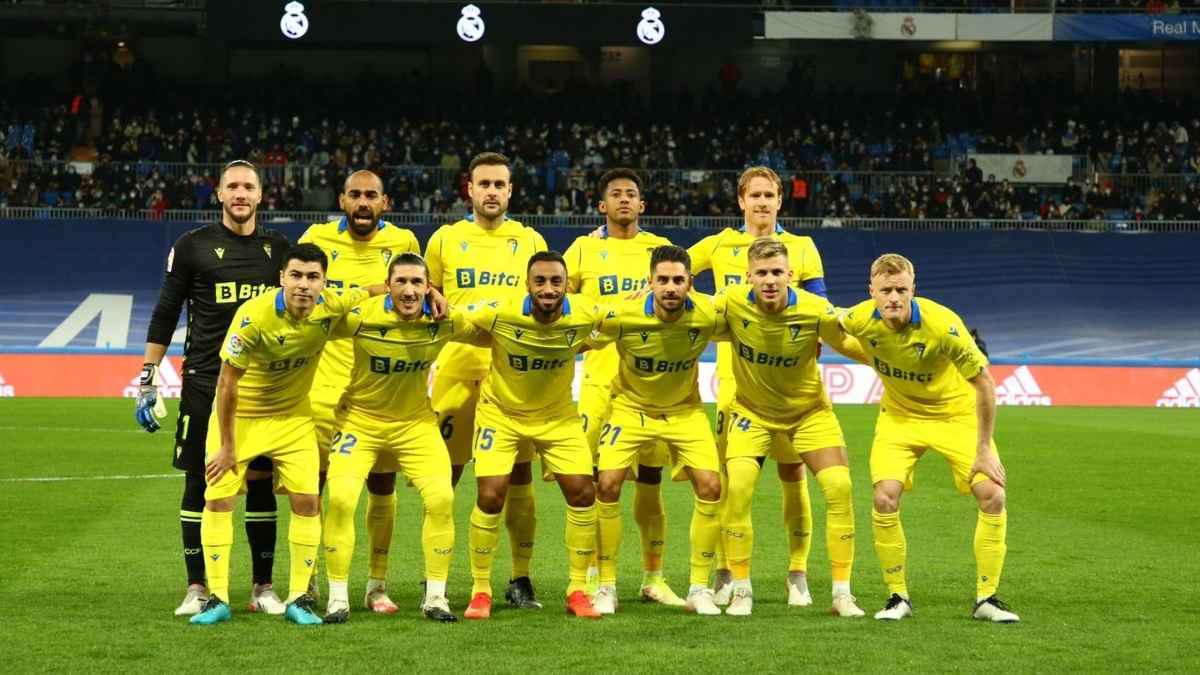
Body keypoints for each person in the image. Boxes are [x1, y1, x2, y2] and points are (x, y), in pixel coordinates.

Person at [189, 243, 384, 626]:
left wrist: (429, 293)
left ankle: (298, 599)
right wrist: (227, 447)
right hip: (241, 417)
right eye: (295, 275)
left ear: (324, 283)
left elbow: (376, 289)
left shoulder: (332, 305)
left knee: (308, 502)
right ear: (281, 278)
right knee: (219, 501)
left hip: (293, 419)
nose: (303, 285)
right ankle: (218, 599)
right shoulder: (253, 316)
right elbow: (227, 385)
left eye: (313, 277)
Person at [136, 160, 290, 617]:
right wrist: (147, 378)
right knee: (200, 481)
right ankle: (197, 586)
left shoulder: (279, 249)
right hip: (204, 382)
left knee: (261, 483)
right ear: (219, 194)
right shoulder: (192, 246)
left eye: (249, 186)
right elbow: (166, 311)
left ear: (261, 196)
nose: (240, 193)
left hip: (262, 388)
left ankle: (262, 586)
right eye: (232, 186)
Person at [839, 253, 1018, 623]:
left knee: (993, 493)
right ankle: (897, 596)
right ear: (871, 290)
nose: (893, 298)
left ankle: (988, 598)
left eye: (901, 290)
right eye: (885, 290)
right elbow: (828, 325)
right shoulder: (858, 318)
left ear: (912, 290)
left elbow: (984, 382)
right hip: (899, 419)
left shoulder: (943, 325)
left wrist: (984, 448)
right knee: (884, 497)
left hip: (955, 416)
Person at [688, 166, 826, 607]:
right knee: (732, 480)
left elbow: (821, 309)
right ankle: (728, 570)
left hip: (791, 385)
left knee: (793, 473)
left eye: (770, 195)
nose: (763, 202)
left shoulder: (802, 249)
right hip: (735, 383)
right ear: (741, 201)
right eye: (755, 195)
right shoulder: (718, 245)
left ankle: (798, 572)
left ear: (780, 201)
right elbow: (668, 268)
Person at [322, 253, 480, 624]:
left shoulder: (443, 321)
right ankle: (337, 597)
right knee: (342, 500)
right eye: (401, 283)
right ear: (388, 286)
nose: (409, 291)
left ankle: (436, 597)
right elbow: (317, 316)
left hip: (415, 425)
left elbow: (490, 333)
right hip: (360, 422)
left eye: (417, 283)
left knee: (442, 497)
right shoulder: (362, 317)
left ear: (429, 288)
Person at [715, 238, 866, 618]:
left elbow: (847, 342)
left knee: (839, 487)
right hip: (752, 413)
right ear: (748, 276)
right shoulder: (731, 301)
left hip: (809, 413)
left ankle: (841, 594)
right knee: (739, 489)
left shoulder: (815, 310)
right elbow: (691, 318)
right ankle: (742, 589)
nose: (769, 280)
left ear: (791, 276)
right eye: (762, 273)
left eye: (777, 272)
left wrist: (893, 364)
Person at [424, 152, 548, 609]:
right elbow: (426, 290)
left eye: (500, 184)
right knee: (445, 478)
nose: (492, 191)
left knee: (518, 477)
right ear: (469, 190)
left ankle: (520, 578)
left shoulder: (529, 238)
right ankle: (433, 577)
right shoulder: (446, 238)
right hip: (457, 368)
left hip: (511, 373)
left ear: (510, 191)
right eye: (484, 184)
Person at [298, 169, 421, 613]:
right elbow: (310, 294)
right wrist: (367, 290)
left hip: (380, 390)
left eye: (371, 195)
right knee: (312, 488)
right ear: (342, 200)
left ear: (384, 202)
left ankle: (376, 583)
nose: (363, 202)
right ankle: (307, 578)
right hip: (322, 387)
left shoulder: (404, 241)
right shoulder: (317, 236)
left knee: (382, 486)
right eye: (355, 195)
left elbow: (412, 298)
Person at [461, 251, 604, 620]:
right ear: (527, 284)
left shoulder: (585, 312)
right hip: (501, 414)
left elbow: (614, 322)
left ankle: (577, 589)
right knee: (491, 495)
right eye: (540, 281)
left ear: (567, 285)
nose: (548, 288)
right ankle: (480, 590)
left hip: (557, 417)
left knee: (583, 492)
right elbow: (458, 316)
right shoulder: (501, 312)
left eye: (556, 281)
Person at [563, 168, 683, 606]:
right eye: (616, 194)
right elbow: (564, 300)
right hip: (599, 377)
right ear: (602, 205)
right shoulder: (582, 249)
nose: (625, 201)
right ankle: (595, 575)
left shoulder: (660, 251)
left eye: (632, 194)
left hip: (651, 381)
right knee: (597, 481)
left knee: (650, 480)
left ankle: (654, 577)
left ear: (642, 205)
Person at [590, 245, 725, 616]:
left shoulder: (709, 314)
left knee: (712, 486)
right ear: (649, 282)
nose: (670, 287)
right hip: (630, 409)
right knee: (607, 484)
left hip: (684, 411)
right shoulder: (623, 313)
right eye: (662, 280)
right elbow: (579, 325)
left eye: (678, 280)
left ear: (690, 284)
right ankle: (606, 586)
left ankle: (699, 588)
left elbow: (751, 311)